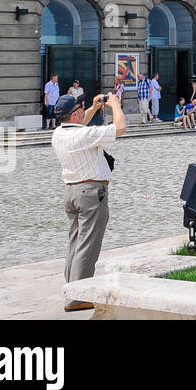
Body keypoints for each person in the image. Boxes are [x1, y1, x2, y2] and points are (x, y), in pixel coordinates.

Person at [50, 88, 125, 311]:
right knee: (88, 243)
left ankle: (72, 288)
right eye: (81, 108)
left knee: (75, 242)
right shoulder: (83, 135)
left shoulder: (59, 133)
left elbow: (80, 124)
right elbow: (120, 128)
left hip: (71, 192)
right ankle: (78, 296)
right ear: (74, 115)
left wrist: (93, 107)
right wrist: (114, 104)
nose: (84, 110)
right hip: (92, 192)